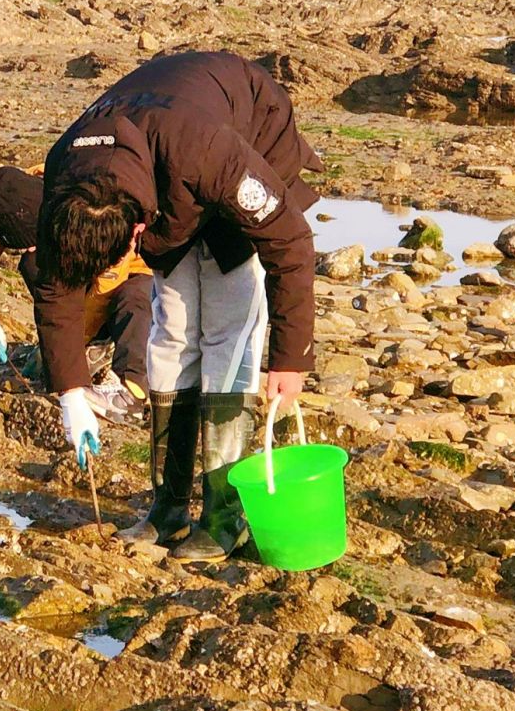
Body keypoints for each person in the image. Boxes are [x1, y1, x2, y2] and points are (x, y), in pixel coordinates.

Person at [33, 51, 321, 563]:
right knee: (171, 334)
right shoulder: (67, 180)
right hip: (170, 183)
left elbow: (291, 241)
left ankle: (222, 517)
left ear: (138, 229)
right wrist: (71, 392)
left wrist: (290, 358)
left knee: (226, 327)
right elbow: (57, 286)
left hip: (250, 131)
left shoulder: (206, 151)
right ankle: (167, 509)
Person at [0, 164, 151, 419]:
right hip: (78, 275)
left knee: (135, 299)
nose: (31, 250)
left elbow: (103, 291)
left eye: (35, 243)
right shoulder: (4, 210)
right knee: (35, 267)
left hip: (131, 270)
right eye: (23, 247)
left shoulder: (87, 205)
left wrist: (71, 356)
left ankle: (130, 390)